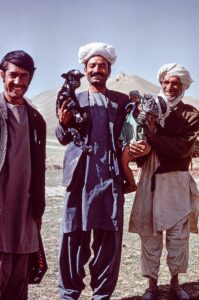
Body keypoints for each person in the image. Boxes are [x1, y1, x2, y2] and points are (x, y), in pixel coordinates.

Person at [56, 42, 129, 300]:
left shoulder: (121, 101)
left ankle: (102, 295)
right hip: (78, 177)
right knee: (73, 235)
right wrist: (64, 124)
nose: (97, 69)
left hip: (109, 177)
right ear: (84, 70)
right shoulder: (71, 97)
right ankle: (69, 293)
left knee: (108, 238)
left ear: (109, 70)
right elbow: (62, 137)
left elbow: (128, 137)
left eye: (102, 65)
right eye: (92, 65)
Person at [128, 63, 199, 300]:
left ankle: (176, 284)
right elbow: (136, 138)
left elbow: (182, 148)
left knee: (178, 235)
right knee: (149, 233)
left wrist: (154, 136)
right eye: (166, 82)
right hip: (150, 178)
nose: (169, 87)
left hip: (176, 181)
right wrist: (138, 146)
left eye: (175, 83)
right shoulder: (147, 108)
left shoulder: (190, 114)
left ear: (183, 86)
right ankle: (152, 285)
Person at [0, 50, 46, 299]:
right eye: (13, 75)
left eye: (24, 76)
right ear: (1, 74)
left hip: (25, 212)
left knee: (18, 284)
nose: (18, 82)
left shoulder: (36, 118)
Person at [119, 93, 169, 193]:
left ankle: (131, 184)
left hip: (137, 143)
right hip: (133, 140)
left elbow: (148, 128)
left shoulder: (149, 117)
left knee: (124, 162)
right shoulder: (134, 112)